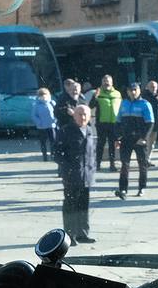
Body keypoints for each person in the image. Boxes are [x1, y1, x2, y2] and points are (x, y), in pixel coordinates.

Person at [57, 104, 98, 244]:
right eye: (80, 114)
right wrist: (67, 168)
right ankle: (69, 235)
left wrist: (92, 170)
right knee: (70, 205)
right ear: (74, 115)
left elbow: (92, 153)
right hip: (71, 175)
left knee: (83, 205)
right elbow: (57, 153)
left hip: (86, 176)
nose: (83, 117)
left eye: (86, 114)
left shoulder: (89, 130)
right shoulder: (66, 131)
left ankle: (82, 234)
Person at [113, 82, 155, 199]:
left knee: (142, 164)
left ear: (139, 91)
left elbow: (150, 123)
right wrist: (117, 137)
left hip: (139, 139)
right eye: (131, 90)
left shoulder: (145, 104)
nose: (133, 92)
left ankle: (142, 187)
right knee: (124, 164)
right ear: (127, 91)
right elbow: (118, 121)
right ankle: (123, 190)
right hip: (126, 139)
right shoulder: (124, 103)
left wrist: (143, 138)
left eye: (135, 90)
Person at [91, 75, 123, 170]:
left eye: (108, 81)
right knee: (100, 144)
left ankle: (112, 165)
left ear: (112, 83)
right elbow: (91, 106)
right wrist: (94, 97)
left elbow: (121, 108)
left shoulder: (117, 94)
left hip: (114, 123)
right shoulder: (98, 93)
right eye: (104, 81)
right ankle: (97, 164)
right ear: (102, 83)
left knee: (112, 144)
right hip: (102, 123)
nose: (106, 83)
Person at [31, 87, 58, 161]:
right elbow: (34, 116)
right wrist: (39, 122)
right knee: (43, 142)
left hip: (51, 126)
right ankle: (45, 155)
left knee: (53, 141)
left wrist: (55, 119)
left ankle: (53, 155)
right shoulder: (36, 105)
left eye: (45, 94)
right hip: (41, 127)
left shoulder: (52, 103)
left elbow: (57, 112)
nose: (43, 96)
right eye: (41, 95)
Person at [141, 79, 158, 166]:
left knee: (152, 142)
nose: (154, 88)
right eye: (152, 86)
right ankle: (144, 159)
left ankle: (148, 159)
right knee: (145, 141)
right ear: (148, 87)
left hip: (156, 122)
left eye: (155, 87)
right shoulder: (144, 96)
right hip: (146, 122)